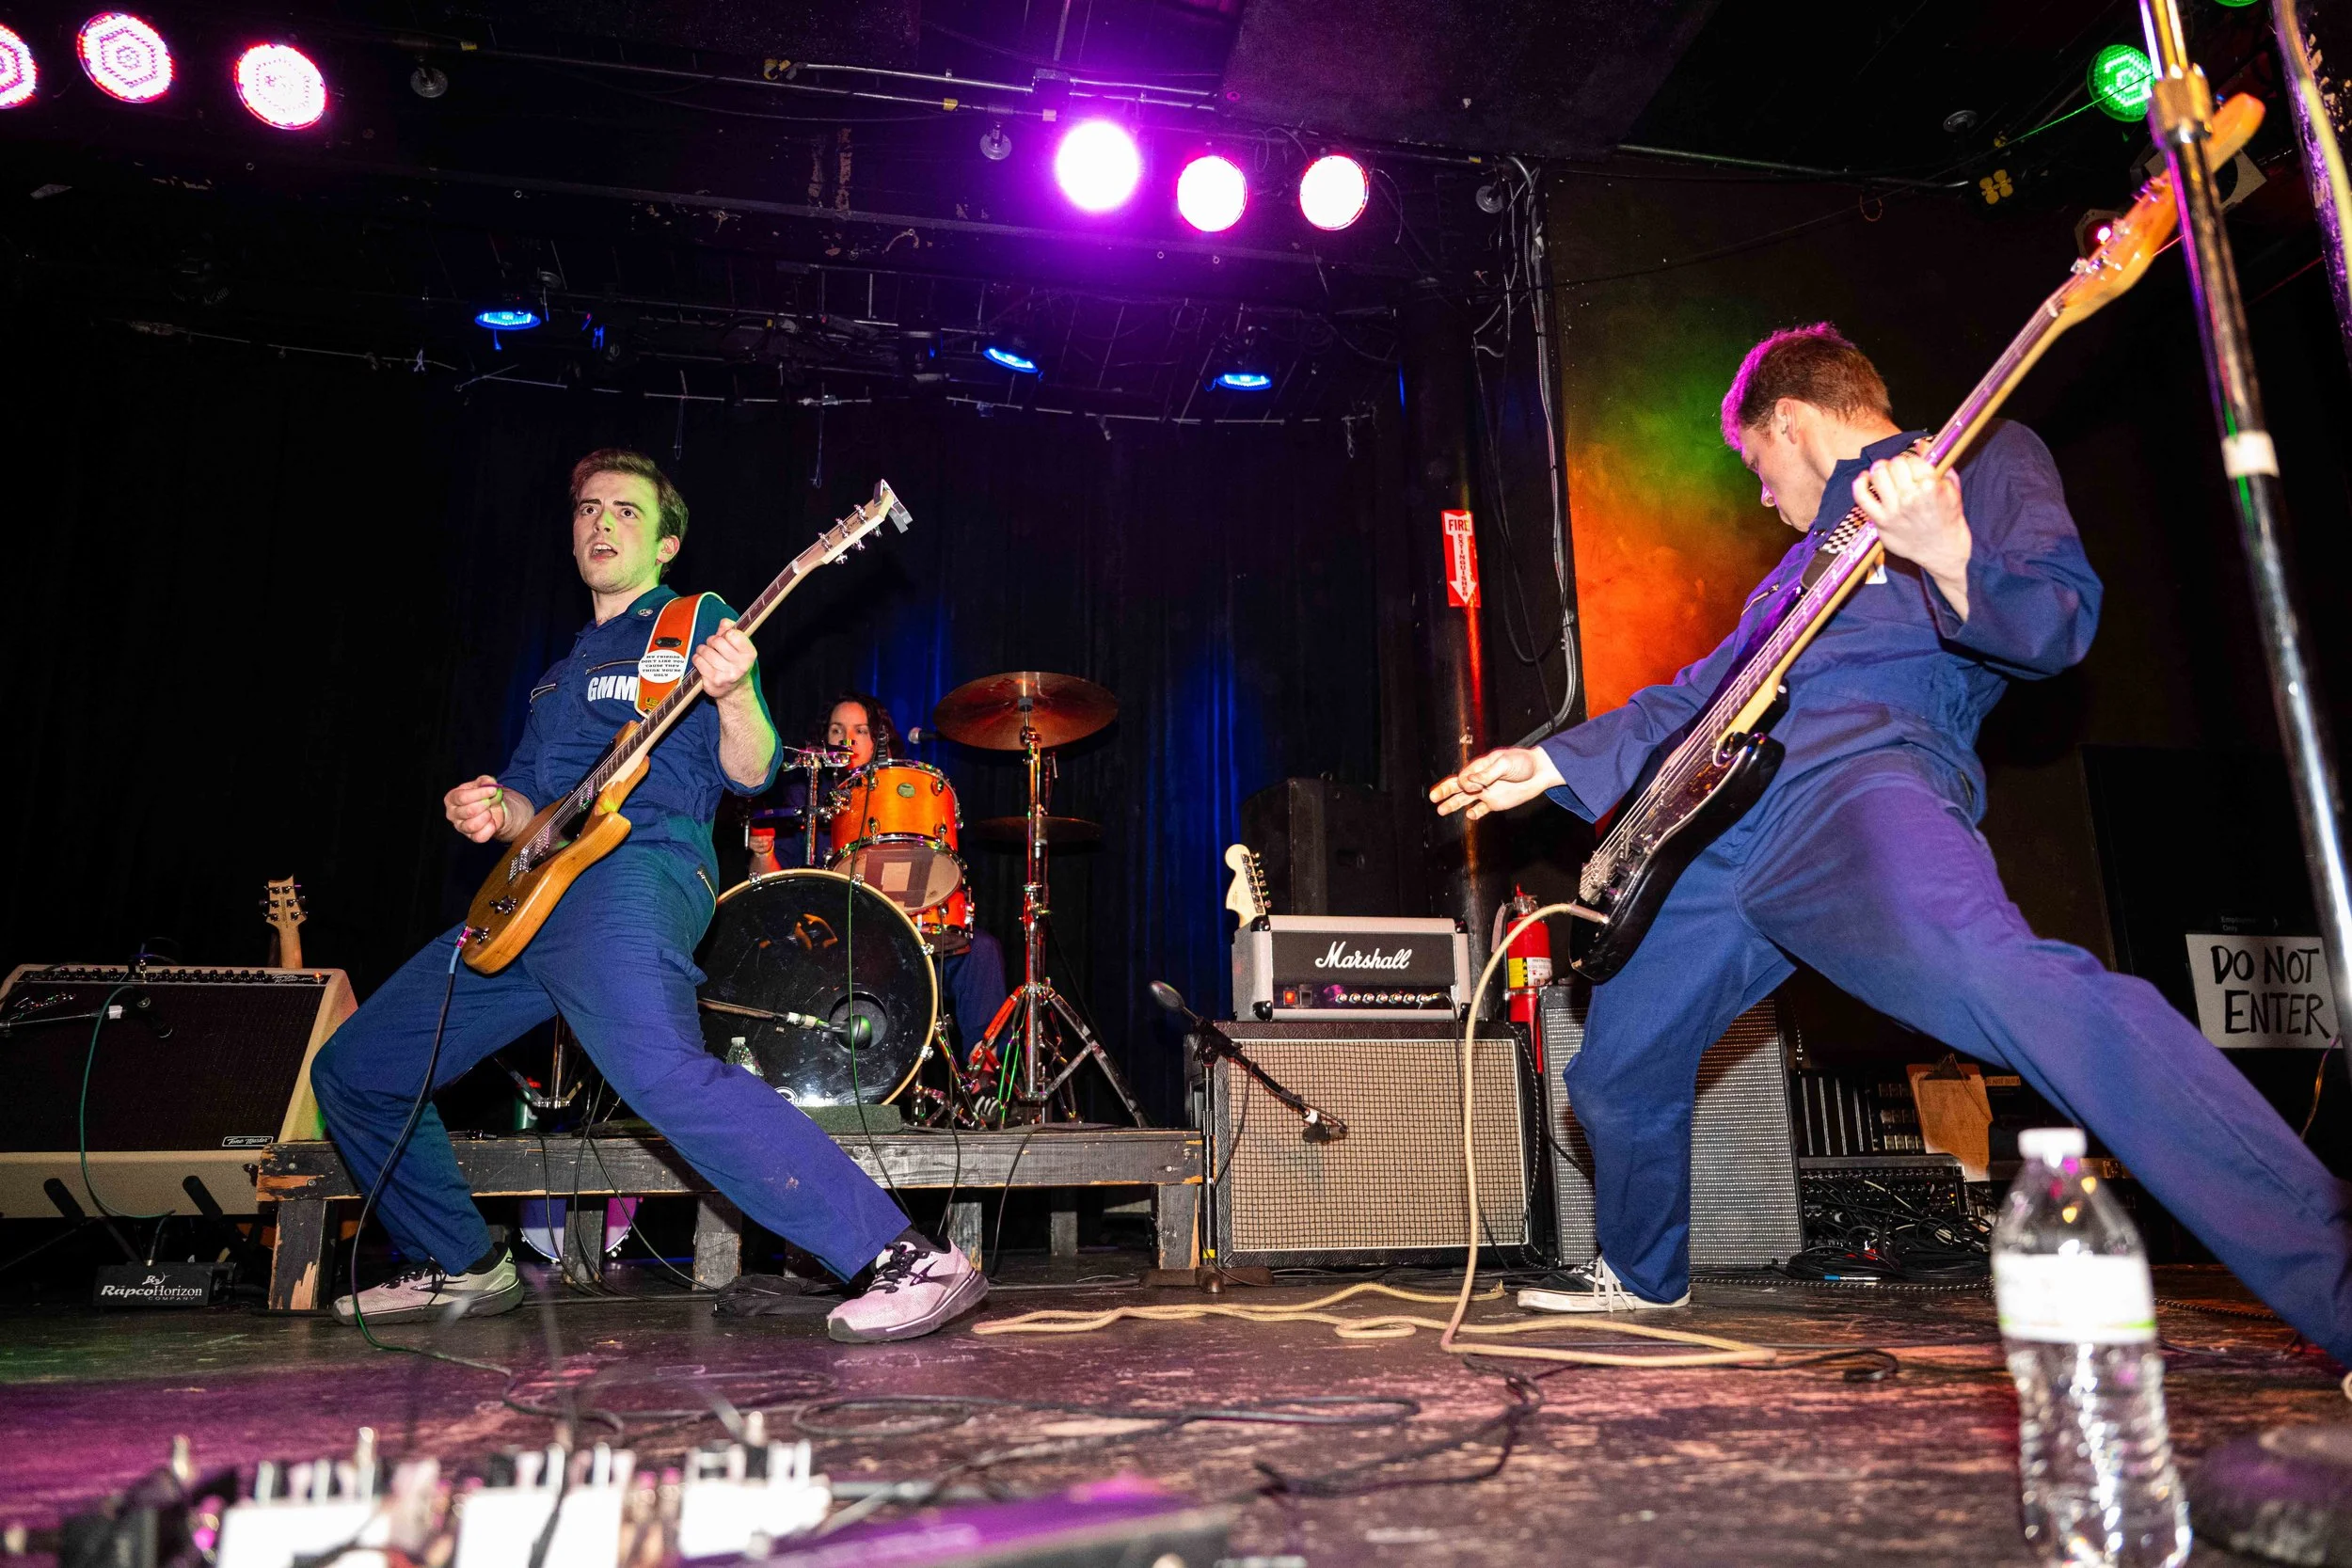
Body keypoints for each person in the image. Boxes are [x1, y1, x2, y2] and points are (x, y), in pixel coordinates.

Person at [1431, 325, 2352, 1359]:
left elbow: (2053, 624)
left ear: (1786, 420)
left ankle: (2336, 1273)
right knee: (1612, 1065)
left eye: (1757, 467)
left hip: (1862, 781)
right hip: (1729, 829)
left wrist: (1946, 548)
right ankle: (1643, 1275)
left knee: (2014, 988)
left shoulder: (1977, 458)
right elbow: (1697, 696)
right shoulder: (1784, 576)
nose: (1764, 495)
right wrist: (1547, 764)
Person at [308, 449, 988, 1343]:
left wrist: (739, 689)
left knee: (663, 1071)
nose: (598, 522)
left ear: (666, 543)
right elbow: (530, 811)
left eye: (625, 511)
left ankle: (906, 1257)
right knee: (355, 1070)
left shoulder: (688, 623)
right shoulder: (555, 677)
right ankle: (462, 1261)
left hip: (636, 870)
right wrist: (491, 808)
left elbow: (751, 770)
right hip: (528, 904)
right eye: (587, 507)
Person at [757, 693, 1010, 1053]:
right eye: (837, 730)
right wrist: (763, 850)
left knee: (982, 950)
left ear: (877, 739)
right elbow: (773, 885)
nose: (848, 739)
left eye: (860, 730)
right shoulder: (806, 796)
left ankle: (988, 1079)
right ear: (824, 741)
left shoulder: (902, 797)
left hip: (911, 938)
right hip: (838, 948)